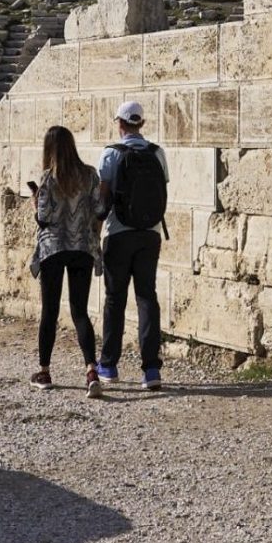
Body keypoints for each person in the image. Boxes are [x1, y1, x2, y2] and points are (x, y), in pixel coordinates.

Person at [27, 125, 106, 394]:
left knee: (50, 311)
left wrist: (34, 202)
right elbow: (99, 210)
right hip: (82, 247)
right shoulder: (90, 175)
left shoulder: (48, 179)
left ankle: (45, 371)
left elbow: (44, 218)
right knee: (79, 310)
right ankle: (91, 370)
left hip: (53, 248)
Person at [97, 99, 169, 390]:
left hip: (118, 233)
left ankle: (109, 365)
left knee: (115, 299)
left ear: (120, 123)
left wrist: (94, 236)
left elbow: (102, 201)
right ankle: (151, 370)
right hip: (150, 234)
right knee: (147, 297)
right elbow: (162, 190)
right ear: (142, 123)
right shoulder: (157, 153)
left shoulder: (111, 154)